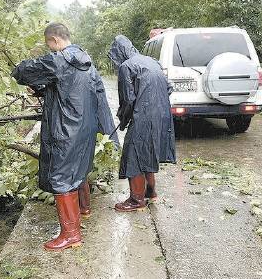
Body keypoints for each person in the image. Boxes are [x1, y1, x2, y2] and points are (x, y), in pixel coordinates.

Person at [11, 23, 118, 251]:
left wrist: (18, 69)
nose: (50, 49)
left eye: (50, 45)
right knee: (79, 170)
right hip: (85, 128)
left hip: (67, 130)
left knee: (62, 178)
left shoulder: (59, 60)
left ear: (55, 41)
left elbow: (23, 71)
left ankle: (71, 234)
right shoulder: (86, 63)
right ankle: (84, 210)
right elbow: (74, 89)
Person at [108, 35, 176, 212]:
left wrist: (123, 119)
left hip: (144, 115)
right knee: (147, 150)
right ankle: (150, 192)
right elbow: (168, 87)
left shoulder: (126, 66)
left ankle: (136, 200)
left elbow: (128, 100)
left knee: (133, 154)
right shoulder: (151, 61)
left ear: (118, 53)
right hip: (162, 114)